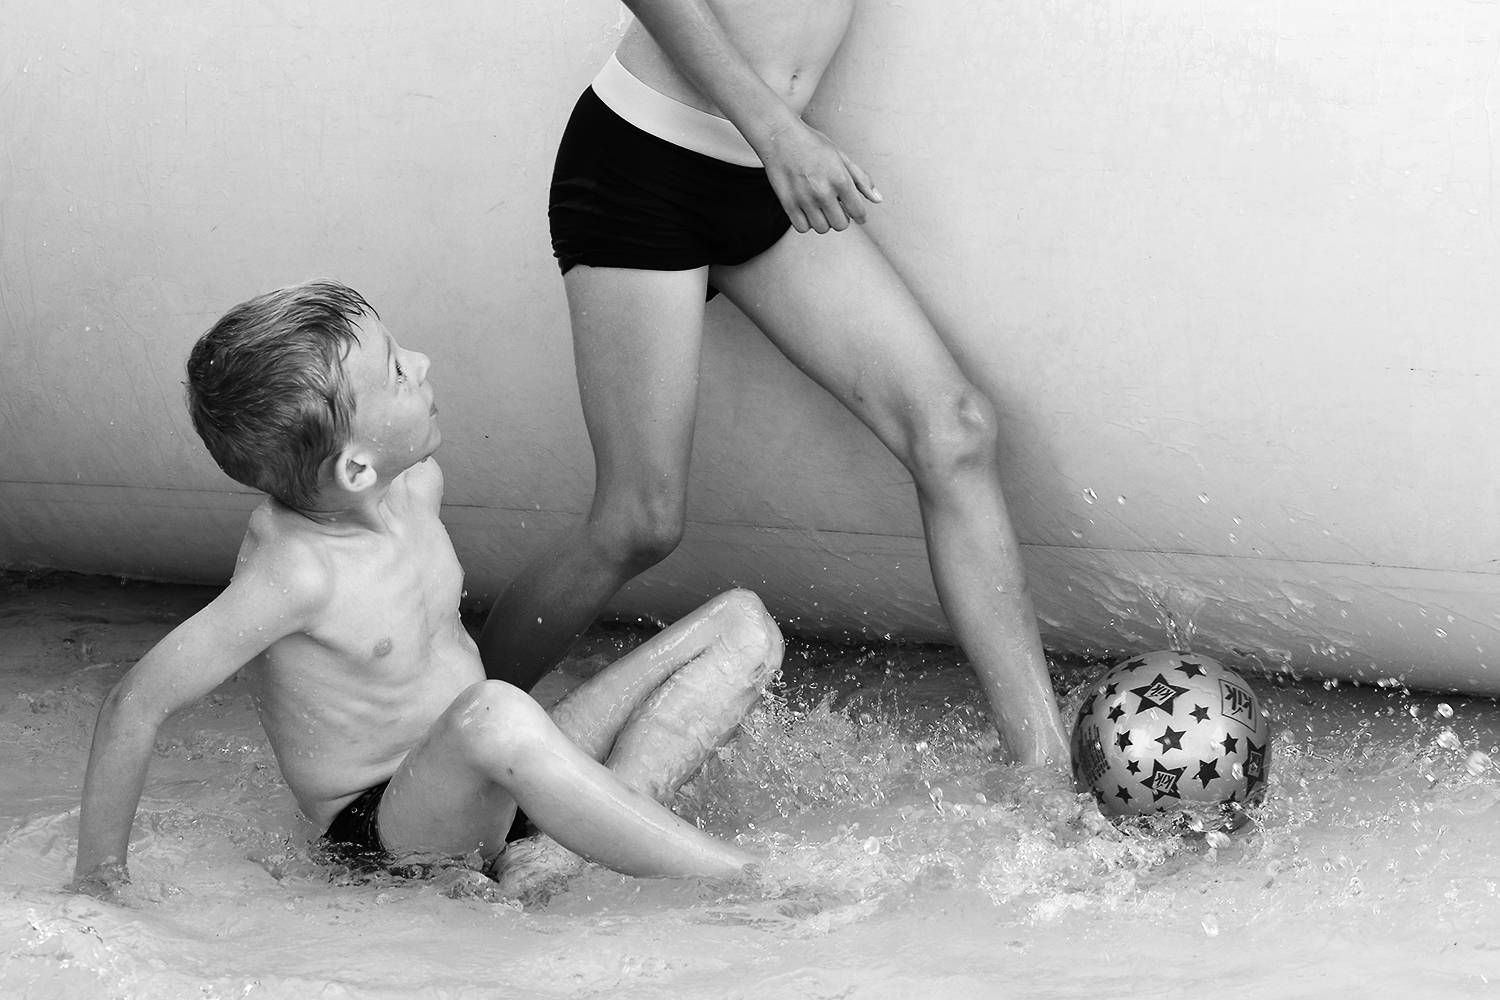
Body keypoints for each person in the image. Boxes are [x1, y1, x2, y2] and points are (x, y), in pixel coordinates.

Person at [480, 0, 1072, 774]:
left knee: (953, 430)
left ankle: (1044, 772)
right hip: (649, 160)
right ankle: (434, 750)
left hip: (770, 174)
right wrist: (779, 135)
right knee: (638, 522)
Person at [69, 280, 784, 899]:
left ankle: (586, 832)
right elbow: (137, 702)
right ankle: (749, 880)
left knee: (740, 624)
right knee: (497, 712)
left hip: (491, 774)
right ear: (355, 469)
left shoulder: (414, 485)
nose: (422, 362)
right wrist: (100, 881)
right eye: (397, 372)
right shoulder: (295, 574)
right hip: (391, 829)